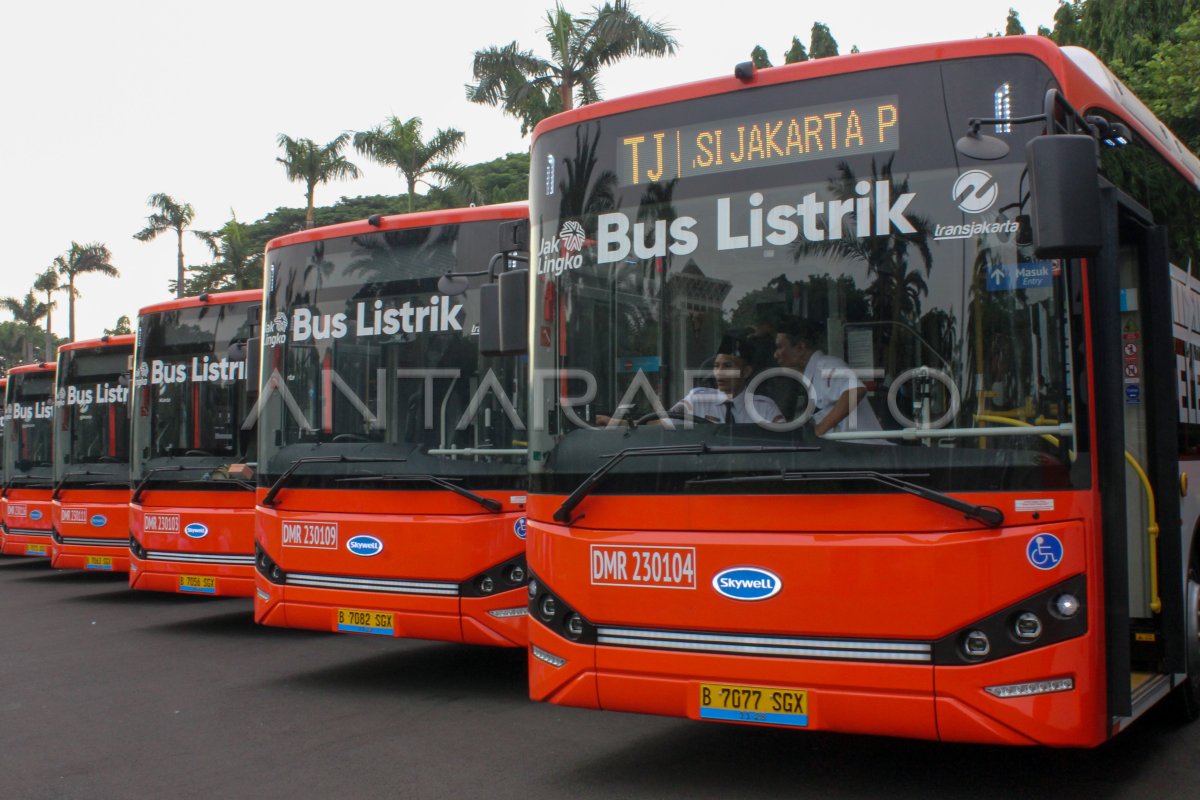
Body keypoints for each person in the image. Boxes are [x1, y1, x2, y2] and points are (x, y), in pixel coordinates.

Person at [598, 332, 784, 426]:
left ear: (746, 371)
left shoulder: (765, 408)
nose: (719, 373)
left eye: (728, 366)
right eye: (716, 366)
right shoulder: (697, 399)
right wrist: (615, 423)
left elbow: (784, 443)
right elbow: (662, 423)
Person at [773, 319, 885, 440]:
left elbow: (855, 390)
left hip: (866, 453)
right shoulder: (811, 376)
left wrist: (819, 430)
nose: (775, 355)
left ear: (800, 348)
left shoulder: (826, 366)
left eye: (779, 347)